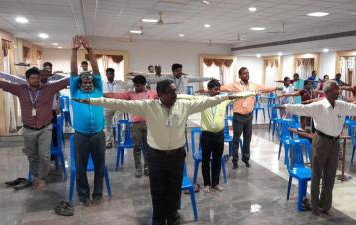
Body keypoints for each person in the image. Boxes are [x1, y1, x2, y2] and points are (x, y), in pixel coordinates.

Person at [73, 79, 242, 225]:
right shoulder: (148, 106)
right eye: (171, 92)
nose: (175, 95)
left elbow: (208, 102)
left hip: (177, 155)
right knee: (158, 190)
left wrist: (228, 97)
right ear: (160, 94)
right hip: (156, 157)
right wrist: (91, 101)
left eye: (175, 92)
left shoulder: (184, 105)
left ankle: (173, 217)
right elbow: (118, 103)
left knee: (175, 189)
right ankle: (159, 219)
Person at [280, 80, 356, 216]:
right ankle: (314, 206)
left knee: (330, 175)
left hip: (335, 143)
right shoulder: (318, 106)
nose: (339, 92)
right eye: (337, 90)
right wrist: (286, 107)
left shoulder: (341, 105)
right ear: (328, 92)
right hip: (320, 141)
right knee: (317, 174)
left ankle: (325, 205)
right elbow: (301, 108)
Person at [0, 67, 69, 190]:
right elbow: (3, 84)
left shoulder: (49, 88)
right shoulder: (20, 89)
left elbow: (67, 81)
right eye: (33, 78)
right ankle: (35, 176)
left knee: (45, 156)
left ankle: (42, 178)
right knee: (32, 156)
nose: (36, 80)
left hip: (45, 128)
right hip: (28, 129)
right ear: (27, 79)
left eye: (38, 78)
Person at [70, 36, 106, 206]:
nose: (86, 81)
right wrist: (74, 51)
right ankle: (83, 196)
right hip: (81, 136)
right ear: (78, 83)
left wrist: (90, 51)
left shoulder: (98, 90)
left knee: (100, 167)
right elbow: (73, 72)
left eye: (89, 79)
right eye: (82, 80)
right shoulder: (75, 93)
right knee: (80, 168)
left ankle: (98, 194)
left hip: (98, 135)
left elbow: (96, 70)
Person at [221, 67, 280, 169]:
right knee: (236, 139)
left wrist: (275, 88)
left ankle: (246, 159)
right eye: (244, 74)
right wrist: (208, 89)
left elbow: (264, 87)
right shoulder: (235, 85)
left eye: (248, 73)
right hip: (238, 116)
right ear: (240, 75)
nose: (247, 75)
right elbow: (223, 88)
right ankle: (235, 161)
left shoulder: (253, 85)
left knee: (247, 139)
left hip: (249, 116)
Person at [104, 75, 157, 177]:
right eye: (135, 86)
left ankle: (147, 167)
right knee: (136, 147)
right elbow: (116, 95)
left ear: (144, 84)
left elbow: (164, 96)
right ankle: (138, 168)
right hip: (135, 125)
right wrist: (101, 94)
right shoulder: (130, 94)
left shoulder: (152, 93)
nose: (136, 88)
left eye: (138, 86)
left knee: (148, 147)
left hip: (149, 124)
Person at [103, 67, 130, 148]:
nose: (111, 75)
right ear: (106, 75)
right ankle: (108, 142)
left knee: (119, 123)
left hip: (118, 105)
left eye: (112, 73)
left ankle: (119, 140)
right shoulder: (103, 84)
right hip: (107, 106)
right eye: (109, 73)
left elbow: (130, 85)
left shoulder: (120, 83)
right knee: (107, 125)